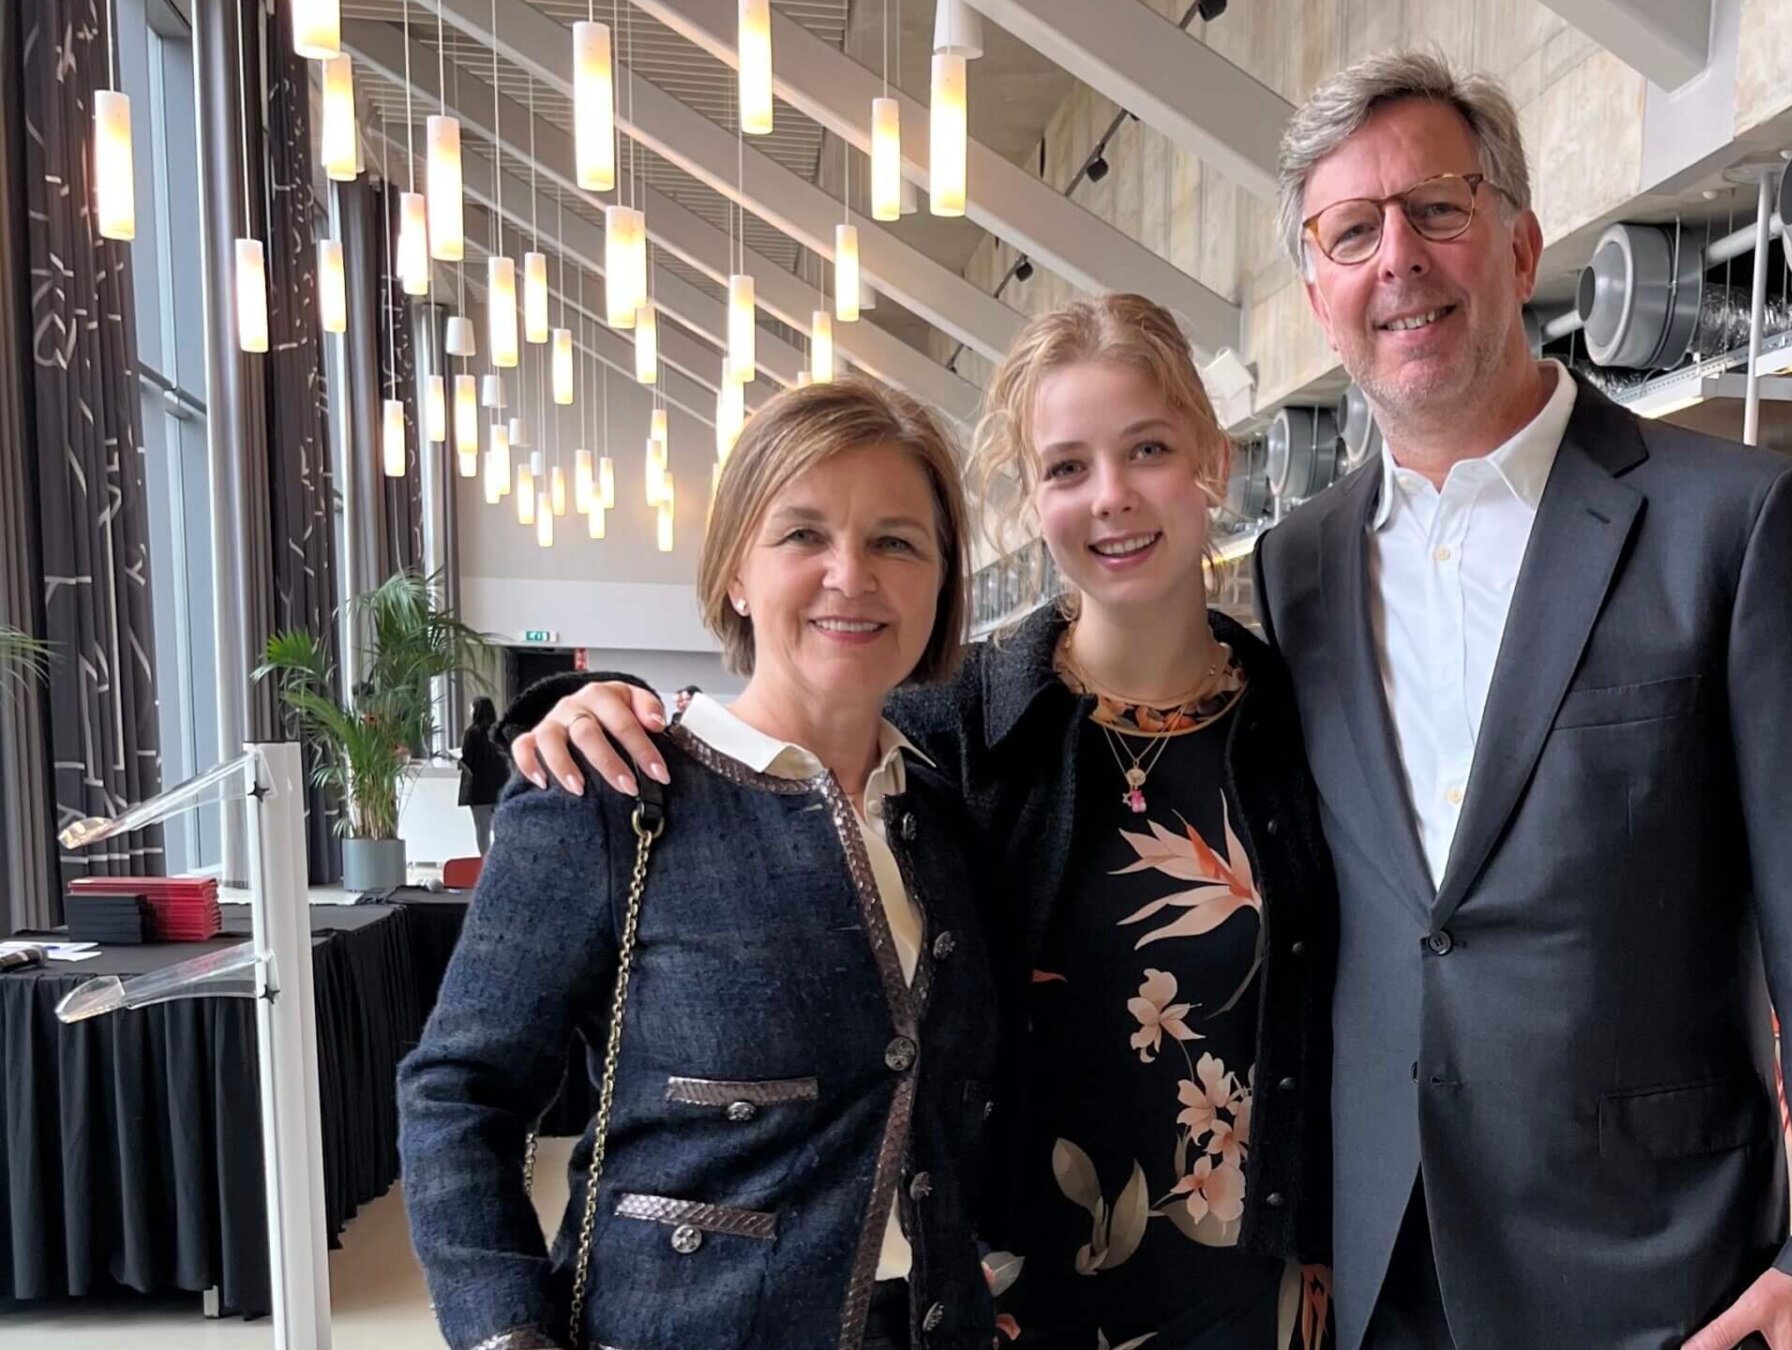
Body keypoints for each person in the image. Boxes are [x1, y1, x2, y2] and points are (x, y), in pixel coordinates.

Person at [511, 295, 1337, 1349]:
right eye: (1068, 467)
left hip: (1242, 1289)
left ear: (1213, 460)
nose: (1113, 498)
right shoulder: (957, 729)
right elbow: (786, 735)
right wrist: (590, 705)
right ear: (1030, 498)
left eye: (1149, 450)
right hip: (1003, 1292)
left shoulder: (1298, 724)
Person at [1254, 52, 1792, 1350]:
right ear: (1317, 294)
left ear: (1518, 243)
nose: (1398, 259)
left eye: (1435, 211)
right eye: (1352, 233)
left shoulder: (1733, 525)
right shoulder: (1299, 569)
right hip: (1374, 1251)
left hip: (1652, 1258)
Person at [399, 380, 1000, 1350]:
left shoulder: (950, 815)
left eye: (896, 541)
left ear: (941, 584)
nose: (851, 575)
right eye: (803, 535)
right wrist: (505, 1332)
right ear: (734, 574)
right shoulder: (613, 791)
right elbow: (457, 1096)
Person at [457, 696, 510, 854]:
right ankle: (501, 859)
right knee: (501, 827)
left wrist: (459, 762)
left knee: (482, 831)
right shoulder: (501, 731)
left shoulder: (471, 733)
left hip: (479, 790)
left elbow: (469, 761)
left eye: (472, 707)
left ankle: (484, 862)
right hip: (500, 787)